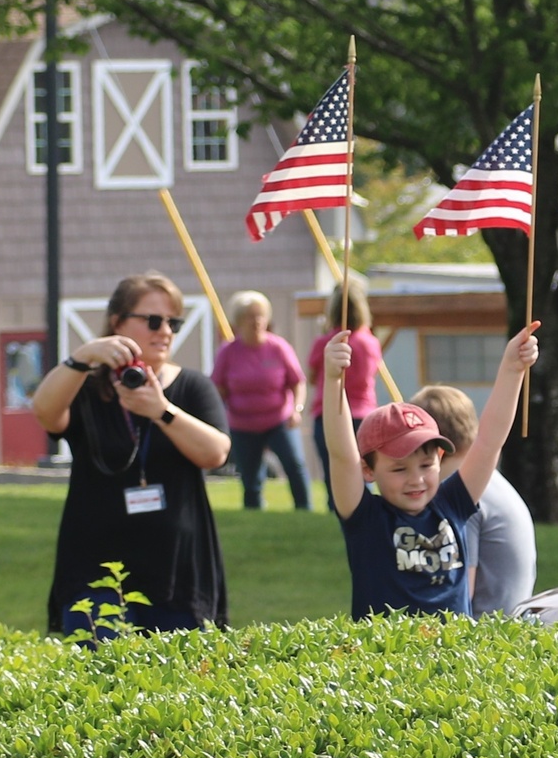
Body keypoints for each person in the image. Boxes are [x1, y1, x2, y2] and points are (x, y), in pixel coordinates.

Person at [31, 271, 232, 638]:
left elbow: (216, 453)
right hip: (96, 571)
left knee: (178, 689)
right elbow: (45, 412)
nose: (165, 331)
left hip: (178, 574)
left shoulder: (192, 386)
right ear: (117, 322)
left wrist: (162, 410)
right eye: (153, 320)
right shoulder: (87, 386)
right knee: (100, 686)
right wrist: (82, 358)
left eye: (173, 322)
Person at [322, 321, 540, 619]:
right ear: (368, 470)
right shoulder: (365, 518)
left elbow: (489, 441)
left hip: (454, 659)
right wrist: (334, 380)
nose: (416, 479)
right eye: (399, 469)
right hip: (389, 662)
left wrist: (512, 369)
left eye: (426, 465)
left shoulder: (453, 504)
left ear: (440, 457)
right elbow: (341, 455)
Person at [410, 384, 537, 616]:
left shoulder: (463, 498)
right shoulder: (492, 483)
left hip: (484, 635)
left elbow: (458, 591)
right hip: (511, 626)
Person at [211, 290, 314, 510]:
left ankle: (305, 509)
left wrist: (297, 409)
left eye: (260, 316)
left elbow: (298, 382)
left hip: (279, 420)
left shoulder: (278, 347)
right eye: (250, 316)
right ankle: (254, 511)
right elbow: (217, 387)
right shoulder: (228, 352)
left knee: (294, 464)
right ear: (238, 321)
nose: (256, 321)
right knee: (250, 476)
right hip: (242, 424)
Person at [307, 280, 383, 513]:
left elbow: (311, 376)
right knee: (363, 477)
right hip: (364, 415)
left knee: (335, 477)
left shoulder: (327, 343)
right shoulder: (370, 342)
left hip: (330, 414)